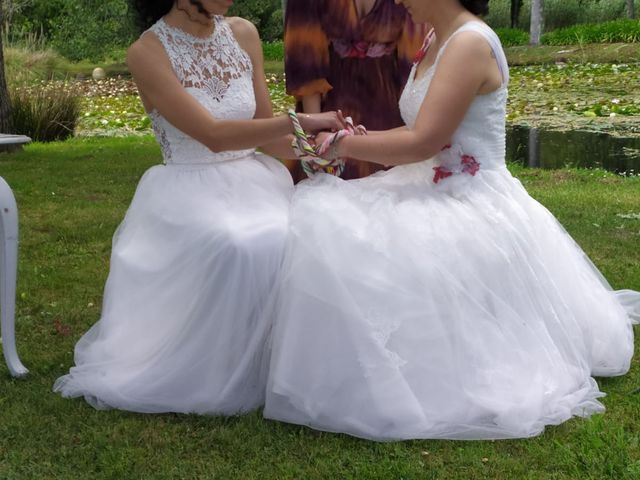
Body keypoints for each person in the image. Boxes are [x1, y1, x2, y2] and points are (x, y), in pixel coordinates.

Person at [265, 0, 639, 440]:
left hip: (468, 196)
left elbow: (423, 141)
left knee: (340, 231)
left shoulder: (470, 44)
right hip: (428, 181)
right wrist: (355, 138)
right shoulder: (434, 37)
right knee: (326, 217)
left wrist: (342, 146)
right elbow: (419, 133)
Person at [53, 0, 344, 414]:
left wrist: (322, 150)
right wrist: (298, 122)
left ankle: (292, 365)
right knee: (241, 242)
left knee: (306, 230)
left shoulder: (243, 33)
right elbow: (213, 135)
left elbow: (271, 140)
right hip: (189, 188)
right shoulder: (147, 52)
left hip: (255, 180)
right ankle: (224, 366)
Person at [284, 0, 427, 181]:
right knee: (325, 193)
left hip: (389, 113)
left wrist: (409, 129)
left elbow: (414, 64)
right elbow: (306, 60)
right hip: (331, 112)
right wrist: (317, 136)